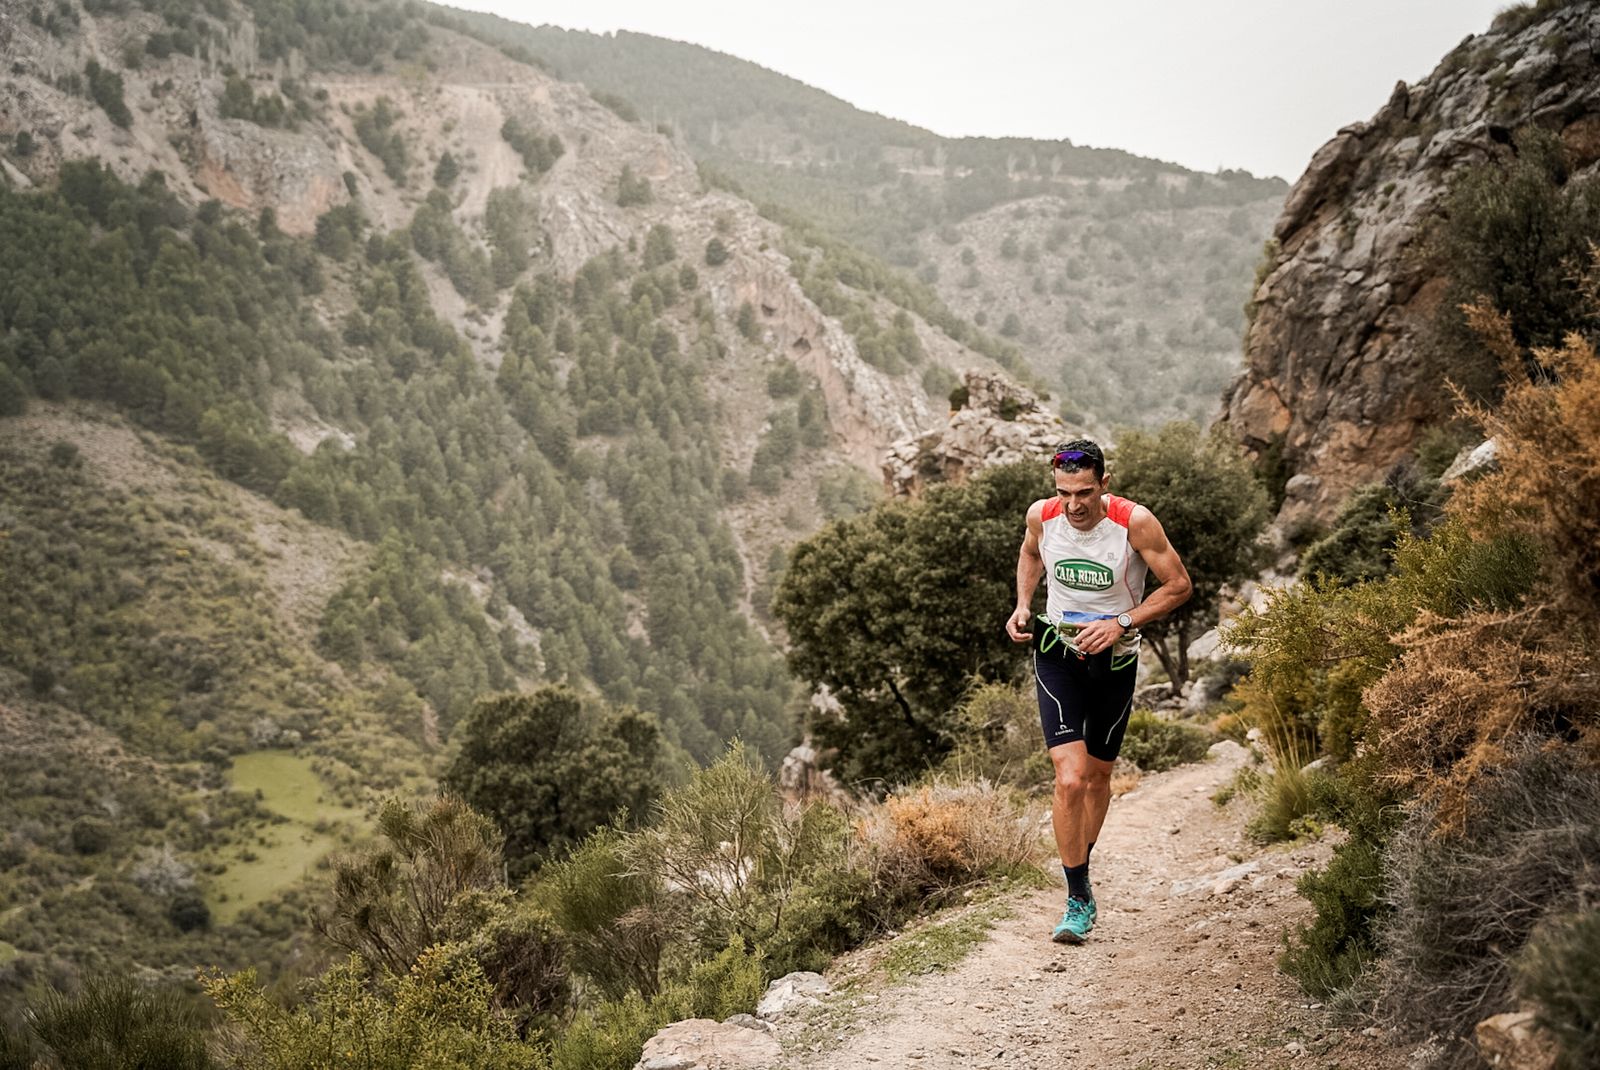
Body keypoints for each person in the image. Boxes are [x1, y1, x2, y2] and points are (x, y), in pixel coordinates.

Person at [1005, 439, 1192, 943]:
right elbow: (1029, 555)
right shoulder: (1042, 517)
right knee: (1069, 777)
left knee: (1098, 776)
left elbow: (1178, 586)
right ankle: (1078, 895)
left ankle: (1079, 864)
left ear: (1104, 484)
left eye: (1084, 492)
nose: (1073, 505)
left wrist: (1121, 621)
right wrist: (1023, 604)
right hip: (1057, 650)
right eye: (1063, 493)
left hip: (1115, 659)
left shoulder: (1135, 523)